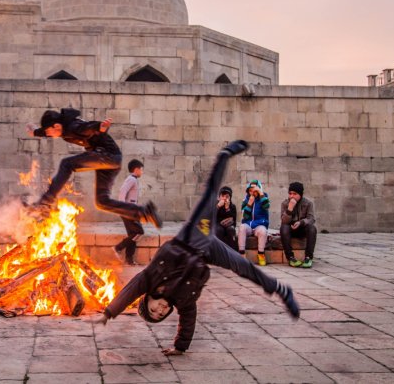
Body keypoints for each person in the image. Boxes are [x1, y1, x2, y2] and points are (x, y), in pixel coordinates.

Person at [95, 140, 300, 356]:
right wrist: (180, 347)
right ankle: (281, 289)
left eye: (154, 308)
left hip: (192, 238)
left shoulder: (150, 279)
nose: (160, 309)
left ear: (148, 298)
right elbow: (188, 321)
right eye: (161, 314)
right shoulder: (184, 301)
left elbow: (130, 291)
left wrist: (109, 313)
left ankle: (224, 155)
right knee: (243, 266)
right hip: (208, 251)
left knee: (210, 195)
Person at [26, 108, 162, 228]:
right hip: (109, 159)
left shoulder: (73, 126)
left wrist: (99, 127)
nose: (49, 135)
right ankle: (144, 212)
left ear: (56, 126)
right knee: (102, 202)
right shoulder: (62, 126)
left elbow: (86, 127)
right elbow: (47, 131)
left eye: (49, 133)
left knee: (67, 164)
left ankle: (45, 202)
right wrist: (35, 133)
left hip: (107, 155)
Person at [113, 159, 145, 265]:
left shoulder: (133, 179)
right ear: (136, 169)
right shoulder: (132, 179)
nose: (142, 172)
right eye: (141, 170)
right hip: (128, 212)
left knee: (133, 235)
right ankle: (118, 247)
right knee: (139, 232)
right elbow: (122, 192)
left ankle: (129, 259)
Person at [280, 182, 317, 268]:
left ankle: (308, 257)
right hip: (290, 229)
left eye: (294, 194)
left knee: (312, 228)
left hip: (302, 228)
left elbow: (311, 219)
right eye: (290, 193)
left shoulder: (308, 203)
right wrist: (289, 209)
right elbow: (284, 221)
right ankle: (291, 258)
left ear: (300, 194)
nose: (292, 196)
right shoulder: (285, 203)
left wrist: (301, 222)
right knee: (283, 228)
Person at [237, 180, 270, 266]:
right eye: (250, 190)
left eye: (255, 190)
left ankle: (261, 254)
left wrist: (260, 193)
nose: (252, 192)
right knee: (242, 228)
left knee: (263, 231)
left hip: (259, 225)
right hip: (248, 224)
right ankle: (241, 254)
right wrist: (249, 204)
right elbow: (245, 216)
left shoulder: (264, 197)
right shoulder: (246, 199)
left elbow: (266, 206)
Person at [215, 186, 237, 251]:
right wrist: (218, 206)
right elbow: (210, 216)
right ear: (219, 197)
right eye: (222, 196)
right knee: (218, 230)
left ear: (230, 198)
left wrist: (227, 208)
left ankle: (232, 252)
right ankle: (218, 251)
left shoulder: (232, 206)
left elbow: (233, 221)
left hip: (229, 225)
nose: (224, 198)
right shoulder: (215, 204)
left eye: (227, 196)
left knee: (231, 230)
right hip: (218, 224)